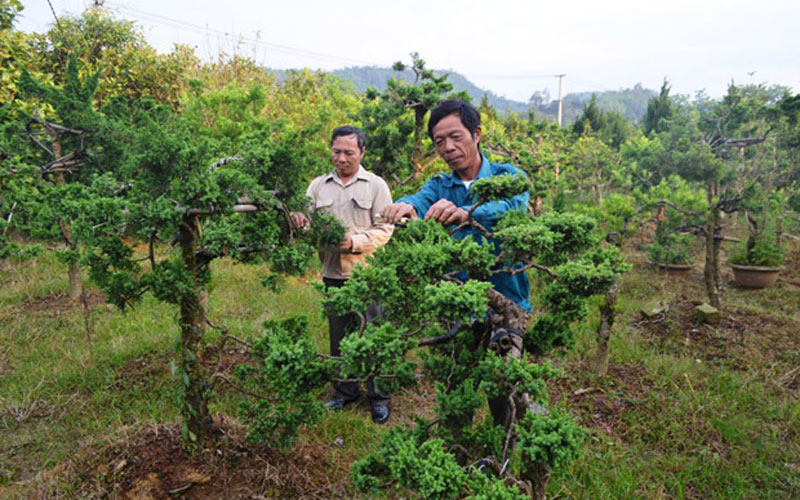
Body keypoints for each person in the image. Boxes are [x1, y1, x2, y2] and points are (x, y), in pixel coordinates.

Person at [381, 99, 531, 429]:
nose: (447, 147)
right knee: (456, 385)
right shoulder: (439, 185)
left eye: (456, 136)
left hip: (506, 304)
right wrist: (404, 207)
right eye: (438, 141)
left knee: (502, 388)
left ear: (476, 134)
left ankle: (500, 459)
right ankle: (457, 454)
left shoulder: (508, 177)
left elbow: (515, 206)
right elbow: (417, 201)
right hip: (458, 303)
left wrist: (471, 213)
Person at [291, 125, 394, 424]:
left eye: (349, 152)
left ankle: (380, 398)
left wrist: (353, 243)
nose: (342, 158)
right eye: (337, 151)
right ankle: (345, 392)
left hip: (368, 275)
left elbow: (385, 228)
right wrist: (299, 221)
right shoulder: (318, 186)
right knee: (339, 338)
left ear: (362, 152)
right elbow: (304, 219)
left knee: (374, 335)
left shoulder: (376, 186)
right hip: (333, 274)